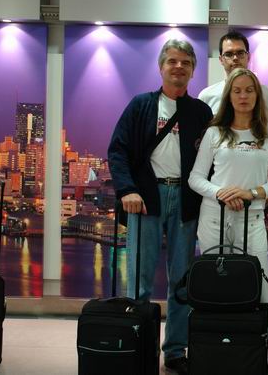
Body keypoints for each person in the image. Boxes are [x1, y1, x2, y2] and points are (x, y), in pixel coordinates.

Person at [108, 38, 212, 375]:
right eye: (172, 61)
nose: (179, 67)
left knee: (181, 281)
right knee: (139, 280)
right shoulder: (141, 105)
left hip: (185, 199)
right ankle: (139, 346)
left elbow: (212, 158)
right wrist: (127, 190)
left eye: (186, 62)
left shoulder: (201, 112)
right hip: (145, 199)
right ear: (161, 67)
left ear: (193, 70)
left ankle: (175, 350)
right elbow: (117, 150)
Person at [189, 68, 268, 375]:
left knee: (260, 289)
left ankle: (267, 363)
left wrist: (252, 193)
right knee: (216, 287)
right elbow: (195, 178)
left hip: (252, 218)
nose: (243, 96)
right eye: (237, 91)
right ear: (228, 96)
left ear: (258, 95)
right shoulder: (214, 133)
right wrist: (221, 193)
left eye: (249, 90)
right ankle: (215, 357)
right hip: (214, 218)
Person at [198, 29, 268, 155]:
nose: (235, 58)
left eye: (240, 53)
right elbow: (201, 142)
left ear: (248, 56)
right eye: (229, 54)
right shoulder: (206, 96)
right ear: (221, 59)